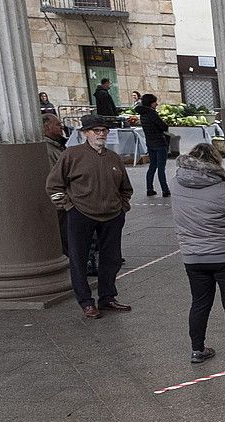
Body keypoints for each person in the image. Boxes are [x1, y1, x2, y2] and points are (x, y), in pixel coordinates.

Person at [171, 143, 225, 365]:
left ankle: (197, 350)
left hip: (192, 256)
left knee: (199, 302)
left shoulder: (176, 184)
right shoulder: (223, 189)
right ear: (214, 162)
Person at [46, 114, 133, 319]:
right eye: (96, 130)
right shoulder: (72, 155)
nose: (101, 134)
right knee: (79, 258)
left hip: (112, 215)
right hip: (80, 214)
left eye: (104, 130)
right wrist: (68, 206)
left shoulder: (114, 158)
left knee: (111, 259)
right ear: (85, 133)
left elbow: (125, 188)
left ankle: (107, 297)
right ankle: (86, 302)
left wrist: (123, 207)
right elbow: (54, 185)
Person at [136, 93, 171, 197]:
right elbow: (163, 126)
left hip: (150, 143)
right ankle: (165, 190)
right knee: (161, 167)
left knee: (152, 166)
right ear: (150, 103)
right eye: (155, 102)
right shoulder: (152, 113)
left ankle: (149, 188)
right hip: (159, 143)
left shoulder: (142, 114)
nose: (157, 104)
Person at [43, 113, 69, 253]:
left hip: (65, 198)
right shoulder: (48, 149)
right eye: (57, 124)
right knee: (65, 232)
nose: (61, 127)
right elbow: (55, 177)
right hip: (61, 200)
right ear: (47, 128)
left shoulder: (57, 146)